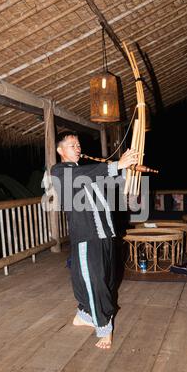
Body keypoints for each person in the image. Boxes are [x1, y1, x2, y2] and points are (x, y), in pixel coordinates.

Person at [51, 131, 138, 349]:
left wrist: (129, 169)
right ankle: (103, 327)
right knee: (94, 280)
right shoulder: (60, 171)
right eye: (72, 145)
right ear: (60, 150)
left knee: (106, 279)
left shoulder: (85, 172)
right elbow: (88, 175)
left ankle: (85, 315)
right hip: (87, 235)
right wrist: (118, 163)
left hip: (104, 232)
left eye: (78, 144)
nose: (78, 147)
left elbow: (111, 181)